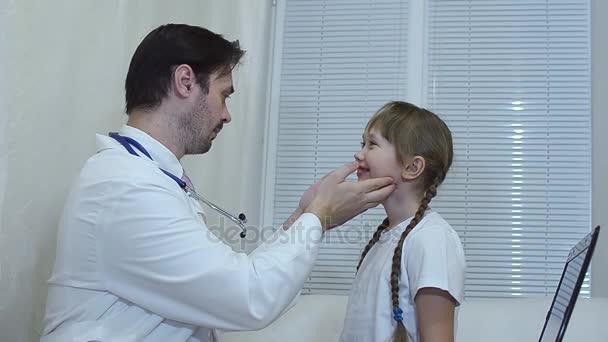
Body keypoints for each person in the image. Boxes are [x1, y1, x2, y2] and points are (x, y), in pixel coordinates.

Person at [41, 24, 395, 342]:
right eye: (224, 94)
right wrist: (317, 218)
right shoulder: (127, 188)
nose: (226, 114)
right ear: (185, 81)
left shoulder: (147, 178)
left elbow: (217, 293)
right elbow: (246, 298)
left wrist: (302, 215)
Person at [339, 101, 466, 342]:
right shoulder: (386, 237)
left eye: (372, 144)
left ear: (412, 167)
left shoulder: (433, 239)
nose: (359, 154)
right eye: (362, 144)